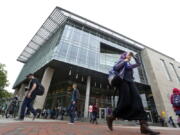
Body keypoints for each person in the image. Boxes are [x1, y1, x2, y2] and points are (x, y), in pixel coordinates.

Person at [106, 52, 160, 135]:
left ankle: (143, 126)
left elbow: (138, 63)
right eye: (128, 54)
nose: (129, 56)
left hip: (131, 82)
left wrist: (134, 56)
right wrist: (125, 59)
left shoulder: (129, 64)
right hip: (123, 81)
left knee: (138, 99)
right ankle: (111, 117)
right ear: (124, 56)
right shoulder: (121, 60)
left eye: (129, 55)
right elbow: (116, 68)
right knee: (125, 101)